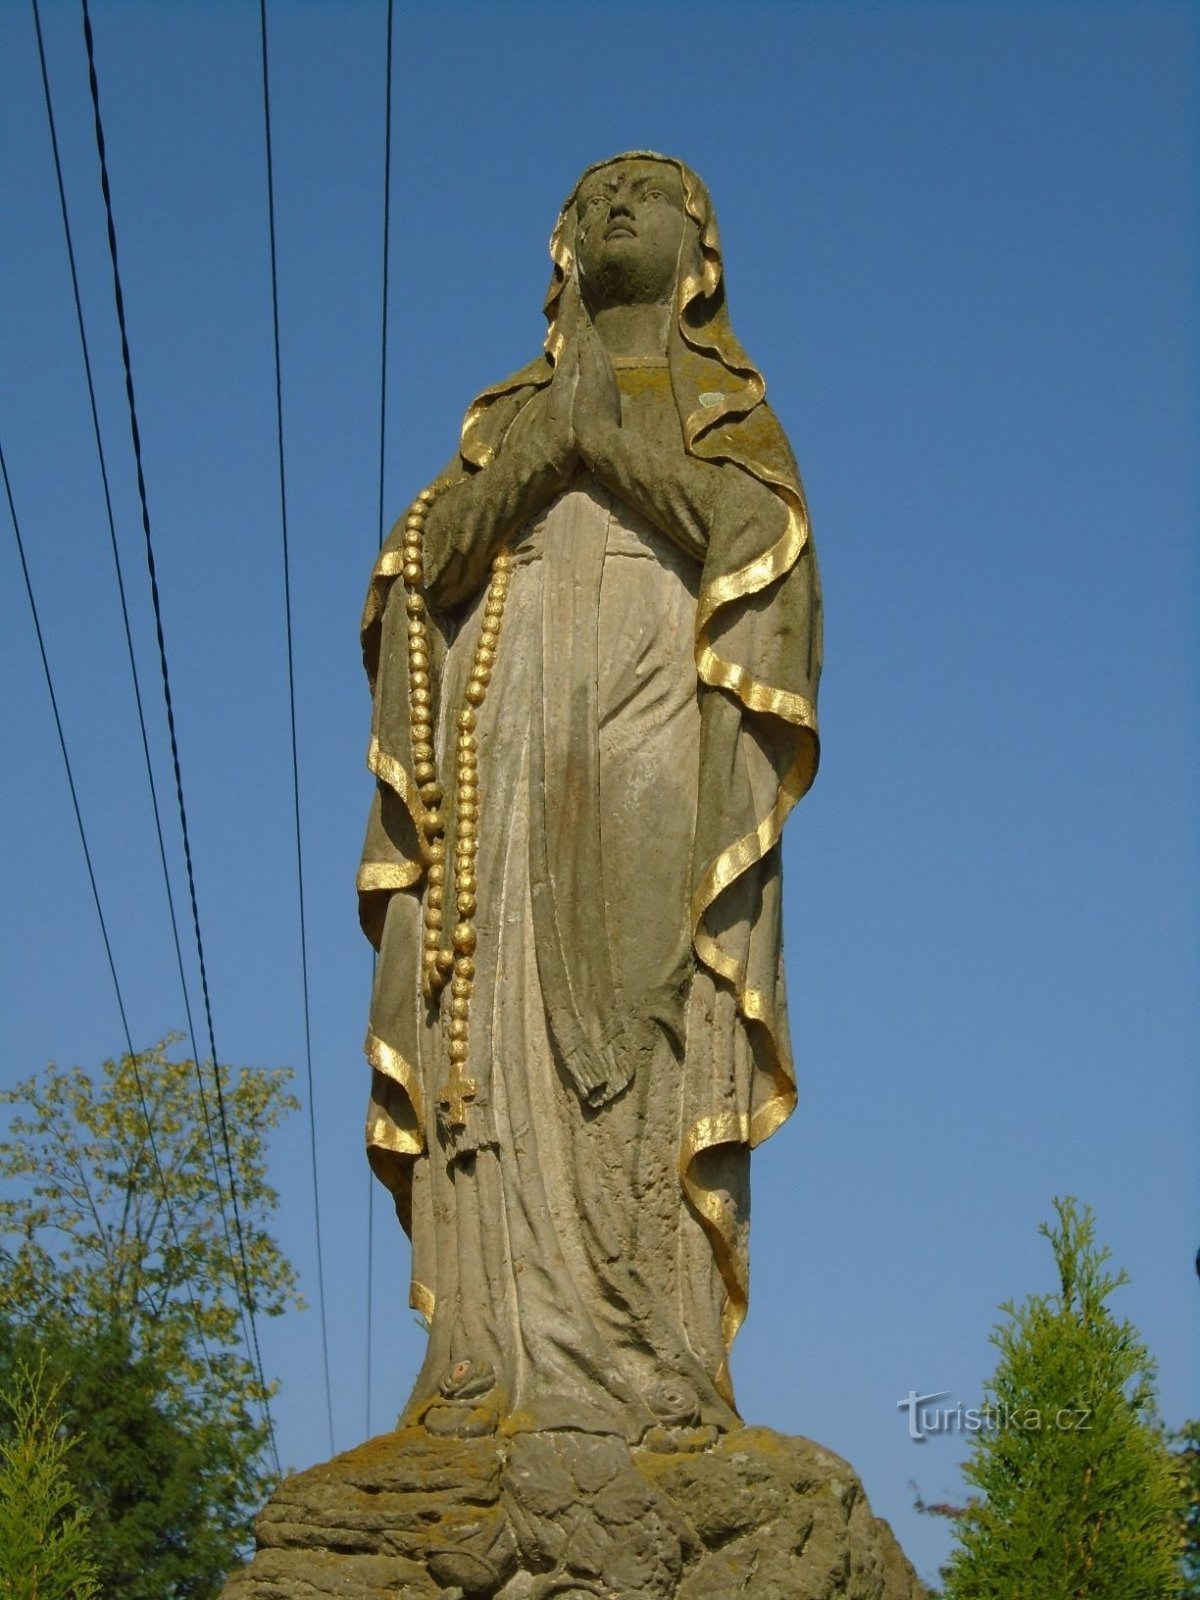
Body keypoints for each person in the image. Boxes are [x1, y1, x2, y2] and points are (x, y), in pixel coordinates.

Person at [357, 153, 821, 1441]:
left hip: (654, 718)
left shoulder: (727, 413)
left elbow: (761, 555)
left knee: (643, 1000)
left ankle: (653, 1346)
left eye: (648, 194)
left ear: (700, 256)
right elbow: (418, 564)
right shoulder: (507, 416)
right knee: (486, 1018)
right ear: (564, 251)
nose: (616, 208)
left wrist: (605, 445)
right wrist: (538, 453)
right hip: (501, 731)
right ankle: (485, 1353)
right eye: (591, 198)